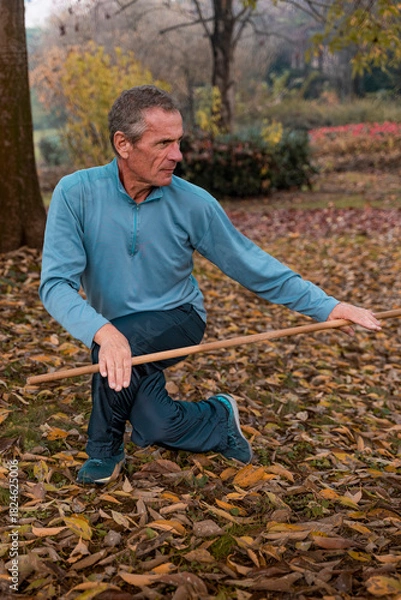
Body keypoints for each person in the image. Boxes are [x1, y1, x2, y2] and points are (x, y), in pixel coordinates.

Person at [39, 85, 381, 485]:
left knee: (116, 345)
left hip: (178, 317)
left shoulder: (193, 203)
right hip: (116, 328)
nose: (177, 155)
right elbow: (55, 284)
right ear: (123, 144)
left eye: (179, 142)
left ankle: (104, 450)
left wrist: (329, 306)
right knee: (156, 423)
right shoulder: (75, 193)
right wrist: (103, 330)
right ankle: (218, 418)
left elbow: (253, 265)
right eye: (163, 143)